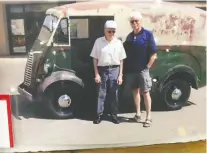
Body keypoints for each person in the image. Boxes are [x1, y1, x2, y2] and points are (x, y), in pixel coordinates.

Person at [123, 11, 157, 127]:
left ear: (140, 21)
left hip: (143, 70)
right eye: (132, 22)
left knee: (145, 93)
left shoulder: (148, 34)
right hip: (132, 70)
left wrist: (147, 67)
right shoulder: (130, 36)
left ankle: (148, 117)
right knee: (135, 91)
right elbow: (124, 51)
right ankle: (138, 114)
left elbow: (154, 54)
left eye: (136, 21)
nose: (134, 23)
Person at [90, 20, 127, 124]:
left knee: (114, 94)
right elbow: (95, 58)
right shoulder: (98, 41)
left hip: (115, 69)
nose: (111, 34)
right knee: (101, 94)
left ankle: (114, 115)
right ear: (105, 31)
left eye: (113, 32)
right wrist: (96, 73)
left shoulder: (118, 43)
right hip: (103, 70)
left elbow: (121, 60)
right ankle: (99, 115)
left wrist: (120, 75)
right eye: (109, 31)